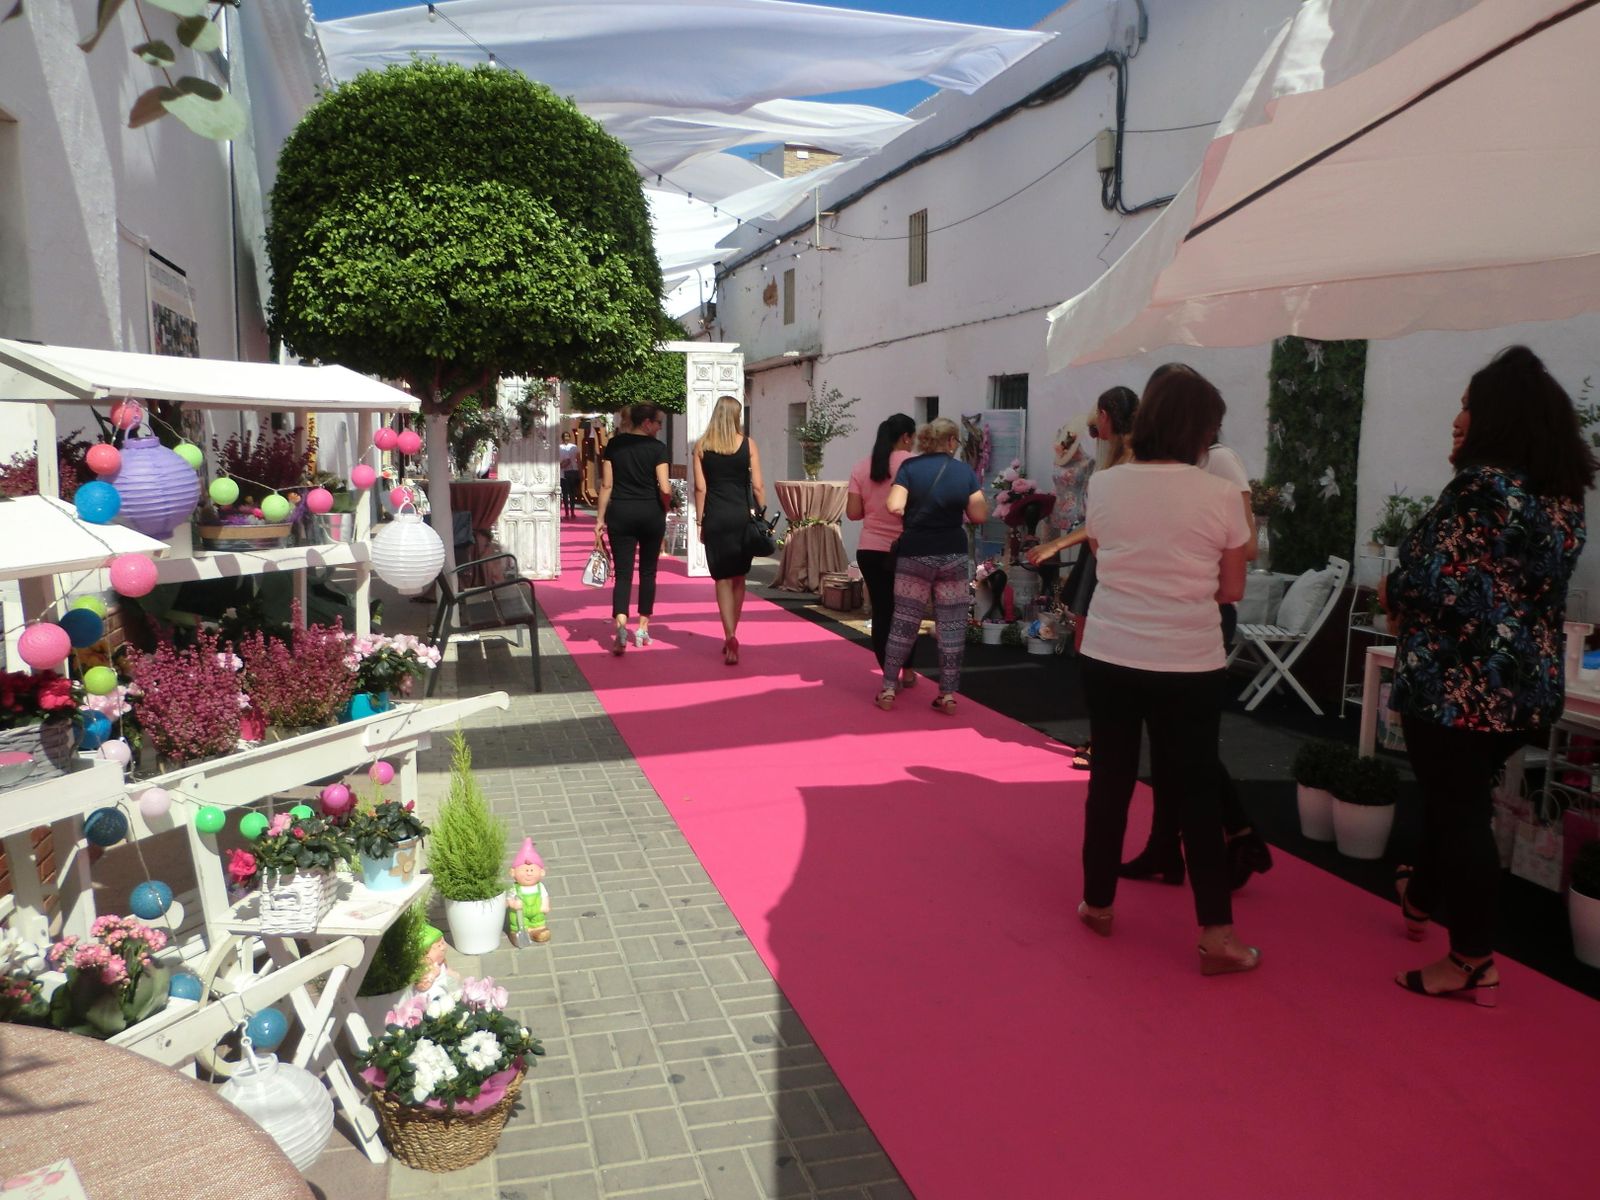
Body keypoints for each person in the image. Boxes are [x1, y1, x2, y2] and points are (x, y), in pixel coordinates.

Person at [1382, 345, 1591, 1004]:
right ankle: (1419, 897)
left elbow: (1424, 580)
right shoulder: (1561, 499)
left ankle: (1472, 959)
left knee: (1459, 809)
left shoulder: (1480, 489)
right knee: (1461, 798)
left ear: (1494, 417)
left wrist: (1394, 590)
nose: (1458, 417)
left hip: (1457, 688)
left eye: (1468, 404)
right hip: (1526, 691)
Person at [1074, 364, 1257, 976]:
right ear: (1201, 430)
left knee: (1112, 781)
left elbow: (1104, 556)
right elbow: (1231, 590)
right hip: (1188, 659)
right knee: (1196, 789)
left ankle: (1097, 903)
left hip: (1110, 650)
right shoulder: (1222, 495)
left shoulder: (1107, 486)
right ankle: (1216, 934)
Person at [1115, 408, 1275, 891]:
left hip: (1200, 612)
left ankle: (1239, 834)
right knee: (1169, 742)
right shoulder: (1165, 470)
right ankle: (1169, 846)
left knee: (1184, 741)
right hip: (1166, 613)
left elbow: (1246, 548)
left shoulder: (1220, 462)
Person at [1027, 386, 1139, 769]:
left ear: (1107, 416)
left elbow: (1101, 524)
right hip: (1099, 557)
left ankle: (1105, 736)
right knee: (1091, 652)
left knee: (1099, 655)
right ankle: (1103, 734)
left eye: (1097, 421)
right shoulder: (1118, 458)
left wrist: (1056, 547)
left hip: (1108, 561)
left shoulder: (1128, 460)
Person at [876, 417, 987, 714]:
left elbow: (894, 505)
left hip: (915, 552)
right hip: (952, 552)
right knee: (951, 625)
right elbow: (978, 514)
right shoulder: (963, 472)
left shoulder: (910, 468)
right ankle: (948, 695)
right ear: (951, 441)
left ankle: (888, 688)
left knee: (904, 621)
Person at [694, 394, 766, 665]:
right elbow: (758, 485)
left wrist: (701, 521)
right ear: (737, 417)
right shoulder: (748, 445)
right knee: (739, 577)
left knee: (722, 579)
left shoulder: (701, 446)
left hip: (716, 517)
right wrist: (762, 512)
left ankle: (729, 634)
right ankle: (734, 631)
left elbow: (700, 488)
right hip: (741, 518)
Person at [848, 413, 919, 683]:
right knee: (908, 611)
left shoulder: (862, 466)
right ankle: (909, 670)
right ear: (906, 437)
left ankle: (889, 675)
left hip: (870, 549)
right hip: (906, 547)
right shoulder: (913, 464)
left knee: (882, 611)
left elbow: (853, 513)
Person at [596, 403, 671, 655]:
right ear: (646, 423)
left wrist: (599, 519)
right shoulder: (658, 449)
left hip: (621, 513)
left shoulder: (615, 445)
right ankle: (642, 629)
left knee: (623, 574)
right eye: (658, 422)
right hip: (651, 513)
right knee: (648, 573)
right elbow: (665, 488)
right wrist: (665, 507)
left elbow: (606, 485)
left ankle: (620, 627)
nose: (660, 427)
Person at [558, 431, 581, 519]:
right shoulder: (560, 447)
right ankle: (567, 512)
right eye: (565, 436)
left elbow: (578, 459)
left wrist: (580, 470)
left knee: (572, 493)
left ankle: (572, 511)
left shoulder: (574, 447)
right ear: (562, 438)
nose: (566, 437)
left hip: (573, 470)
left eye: (568, 436)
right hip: (565, 472)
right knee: (565, 493)